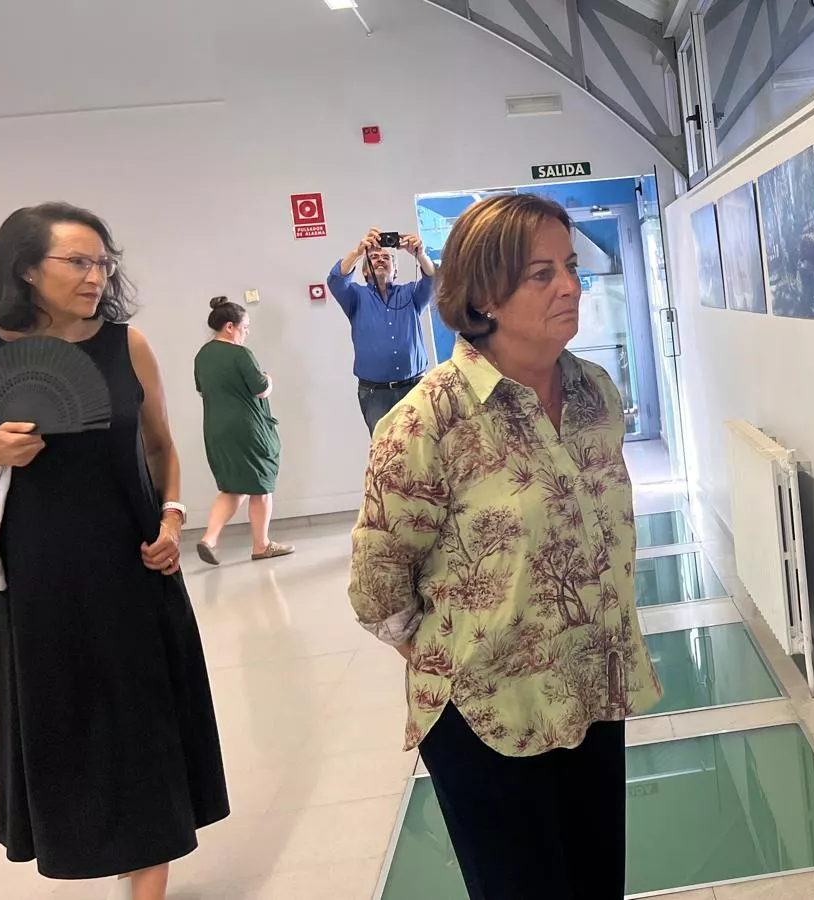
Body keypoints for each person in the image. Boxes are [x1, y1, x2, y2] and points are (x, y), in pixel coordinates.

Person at [348, 194, 661, 899]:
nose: (571, 287)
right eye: (541, 274)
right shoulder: (428, 419)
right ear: (483, 294)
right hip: (487, 716)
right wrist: (467, 655)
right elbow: (377, 585)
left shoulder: (594, 393)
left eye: (571, 267)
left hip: (589, 688)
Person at [0, 203, 228, 900]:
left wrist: (173, 516)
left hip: (133, 564)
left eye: (103, 263)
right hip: (39, 582)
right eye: (78, 262)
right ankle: (109, 842)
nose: (96, 276)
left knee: (146, 720)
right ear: (27, 269)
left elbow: (161, 447)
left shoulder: (129, 346)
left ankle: (147, 877)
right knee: (70, 726)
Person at [193, 296, 292, 564]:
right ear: (229, 326)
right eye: (244, 327)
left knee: (233, 485)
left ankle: (209, 539)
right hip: (247, 429)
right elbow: (260, 389)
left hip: (216, 428)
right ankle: (261, 545)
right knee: (261, 485)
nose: (246, 332)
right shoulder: (240, 353)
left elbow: (203, 389)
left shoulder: (202, 355)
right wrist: (269, 379)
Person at [327, 228, 447, 434]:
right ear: (365, 271)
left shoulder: (411, 294)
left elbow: (434, 279)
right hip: (376, 395)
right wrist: (358, 252)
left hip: (416, 388)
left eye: (386, 257)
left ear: (395, 271)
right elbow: (336, 279)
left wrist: (420, 254)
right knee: (387, 454)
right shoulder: (355, 297)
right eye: (373, 258)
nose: (381, 260)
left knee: (425, 449)